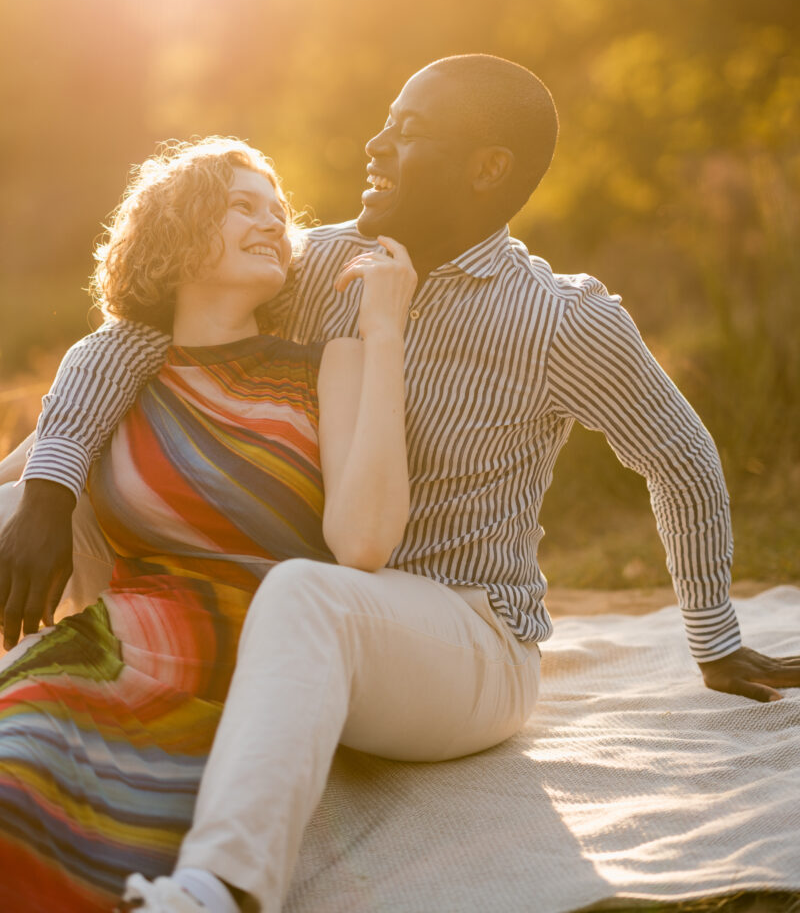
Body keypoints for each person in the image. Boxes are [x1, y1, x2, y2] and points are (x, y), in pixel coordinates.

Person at [2, 54, 798, 913]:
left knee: (313, 594)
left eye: (408, 131)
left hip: (465, 635)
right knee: (21, 492)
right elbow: (141, 337)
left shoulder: (562, 319)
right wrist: (47, 483)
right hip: (291, 608)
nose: (375, 144)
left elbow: (680, 456)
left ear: (487, 168)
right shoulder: (317, 266)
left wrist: (713, 637)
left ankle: (219, 889)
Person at [0, 136, 441, 910]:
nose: (273, 221)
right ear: (178, 229)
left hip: (262, 669)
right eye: (244, 205)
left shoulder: (324, 363)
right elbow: (20, 493)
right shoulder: (122, 374)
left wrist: (384, 332)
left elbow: (363, 544)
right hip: (117, 648)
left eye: (278, 211)